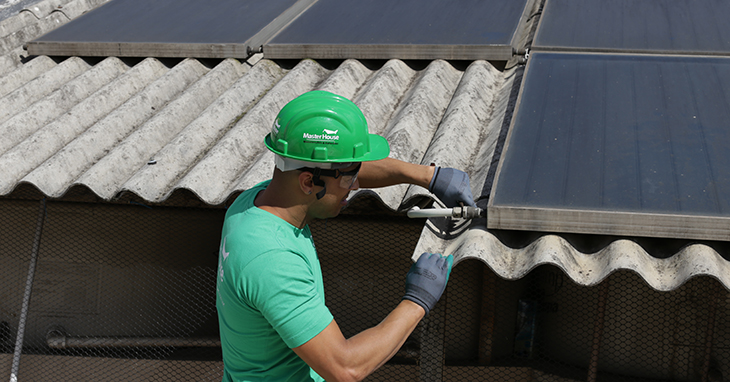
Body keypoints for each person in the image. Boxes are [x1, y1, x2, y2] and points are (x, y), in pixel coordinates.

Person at [216, 91, 476, 382]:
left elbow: (341, 172)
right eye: (348, 181)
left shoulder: (256, 202)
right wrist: (417, 301)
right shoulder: (272, 260)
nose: (354, 187)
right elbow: (345, 368)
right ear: (307, 182)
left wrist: (428, 176)